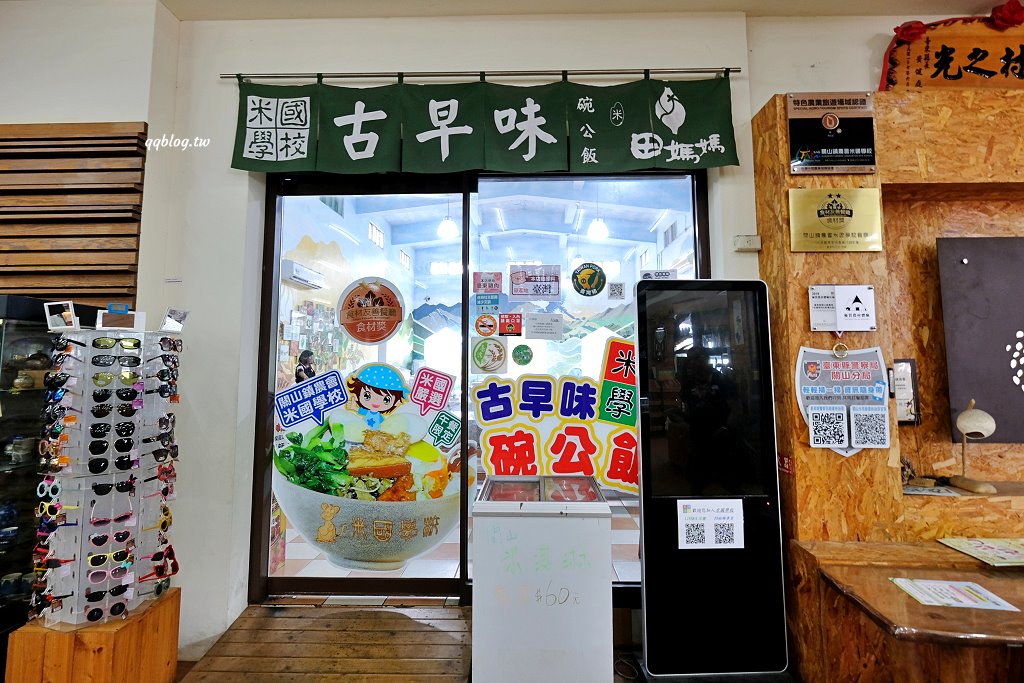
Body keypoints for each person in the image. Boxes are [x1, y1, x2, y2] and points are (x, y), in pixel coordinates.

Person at [345, 364, 409, 429]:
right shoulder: (367, 412)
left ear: (396, 402)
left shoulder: (379, 416)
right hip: (363, 431)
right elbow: (358, 410)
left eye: (386, 400)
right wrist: (353, 407)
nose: (376, 401)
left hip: (376, 434)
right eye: (367, 396)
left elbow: (384, 424)